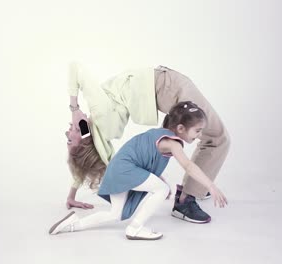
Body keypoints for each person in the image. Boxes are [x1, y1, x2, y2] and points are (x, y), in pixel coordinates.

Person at [66, 62, 230, 223]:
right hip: (163, 86)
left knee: (169, 141)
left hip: (158, 89)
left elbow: (84, 154)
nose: (67, 130)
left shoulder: (96, 135)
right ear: (83, 142)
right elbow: (76, 67)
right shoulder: (99, 114)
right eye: (69, 139)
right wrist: (74, 108)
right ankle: (187, 198)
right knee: (217, 137)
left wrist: (71, 195)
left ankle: (194, 188)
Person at [52, 102, 228, 240]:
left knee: (115, 214)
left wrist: (159, 179)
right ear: (180, 128)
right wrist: (210, 186)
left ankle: (73, 224)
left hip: (118, 169)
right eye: (197, 131)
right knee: (162, 189)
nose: (198, 136)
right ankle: (135, 228)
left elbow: (146, 158)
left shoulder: (159, 134)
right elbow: (188, 166)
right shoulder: (172, 142)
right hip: (124, 169)